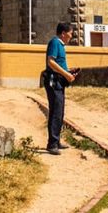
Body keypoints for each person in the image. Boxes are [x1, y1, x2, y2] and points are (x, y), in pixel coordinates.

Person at [44, 22, 77, 155]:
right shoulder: (55, 43)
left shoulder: (60, 45)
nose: (71, 36)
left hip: (59, 81)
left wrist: (69, 71)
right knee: (56, 111)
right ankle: (52, 144)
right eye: (70, 33)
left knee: (60, 111)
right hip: (54, 81)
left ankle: (56, 141)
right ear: (63, 33)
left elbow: (58, 63)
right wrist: (66, 74)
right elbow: (50, 62)